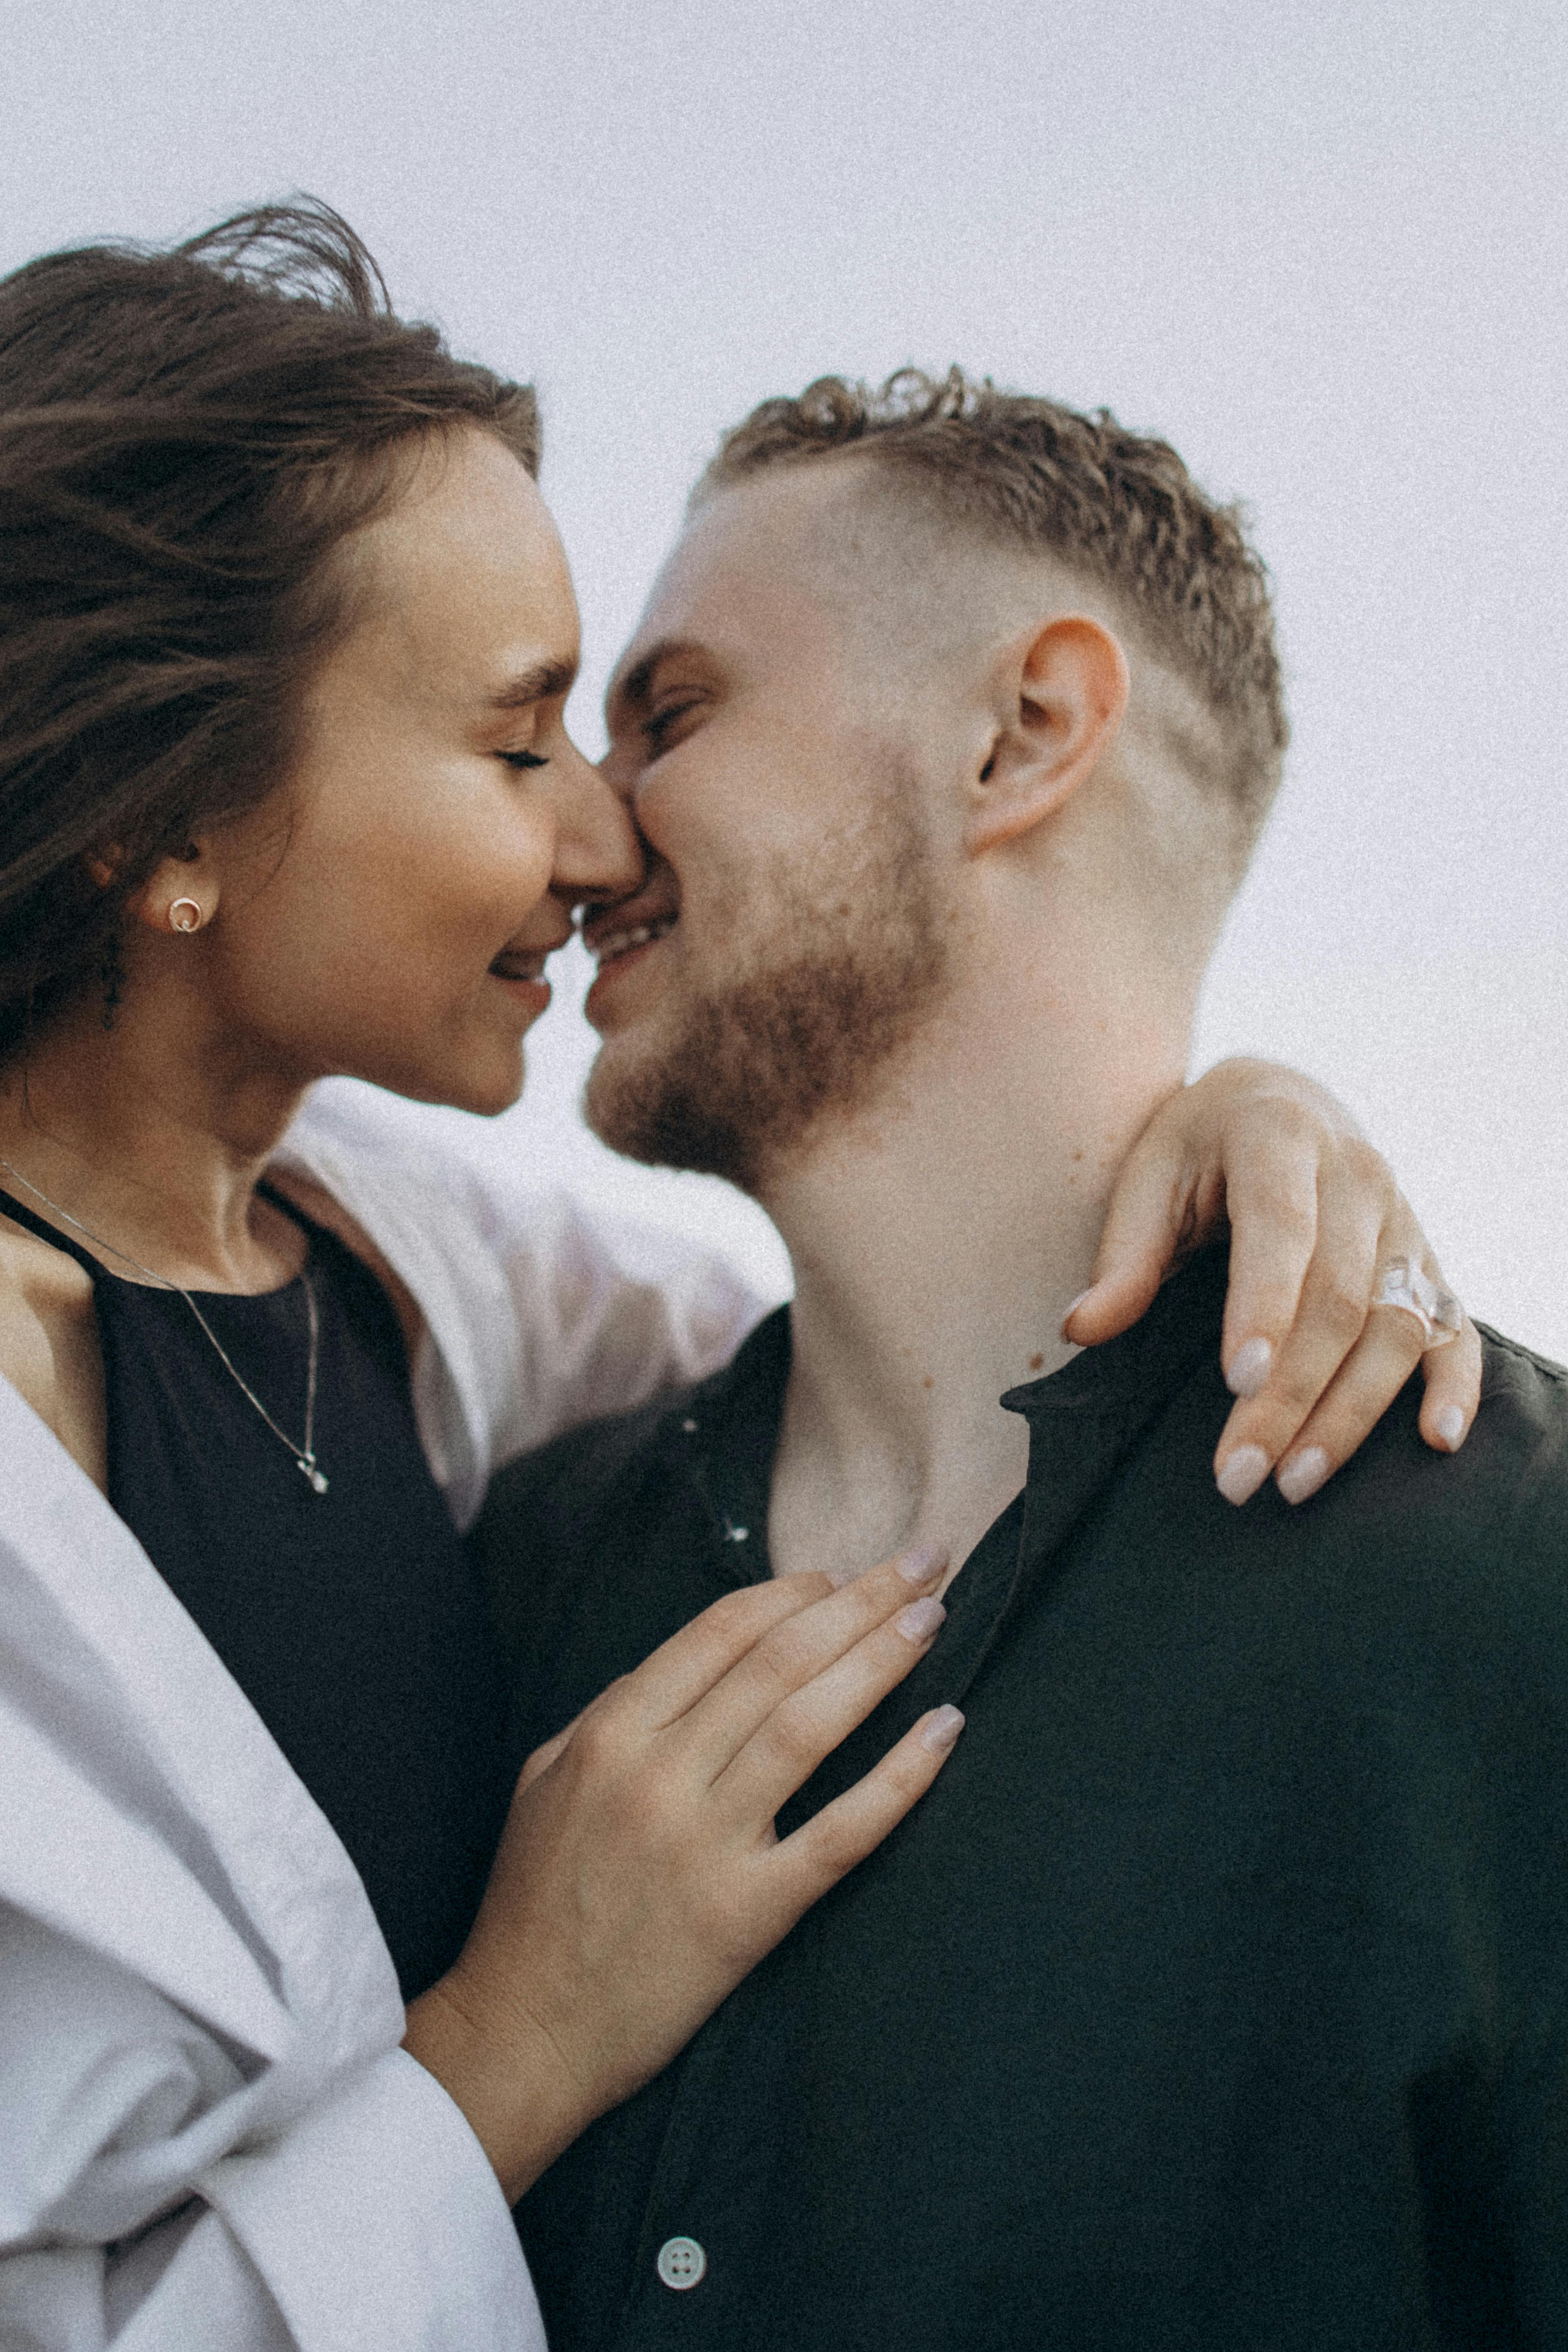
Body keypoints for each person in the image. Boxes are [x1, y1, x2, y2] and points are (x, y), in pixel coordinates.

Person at [0, 205, 1473, 2352]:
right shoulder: (463, 1491)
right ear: (168, 820)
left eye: (646, 721)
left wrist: (1251, 1122)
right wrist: (516, 2039)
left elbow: (918, 1346)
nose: (600, 841)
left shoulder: (431, 1297)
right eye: (522, 743)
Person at [476, 371, 1568, 2349]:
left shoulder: (1510, 1591)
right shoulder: (508, 1561)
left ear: (1023, 735)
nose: (576, 825)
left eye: (676, 712)